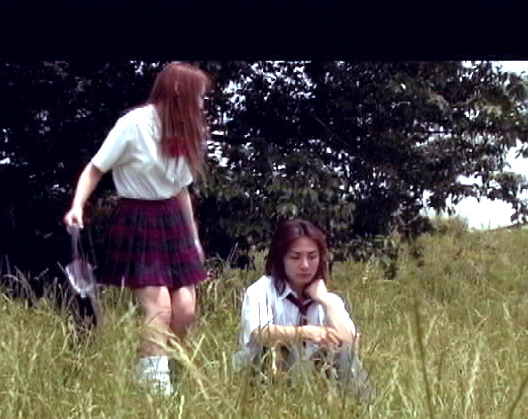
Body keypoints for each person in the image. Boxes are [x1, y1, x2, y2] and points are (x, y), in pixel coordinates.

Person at [64, 62, 212, 395]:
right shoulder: (133, 124)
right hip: (138, 218)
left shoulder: (186, 129)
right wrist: (77, 206)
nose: (201, 103)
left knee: (185, 309)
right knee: (159, 307)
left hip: (172, 219)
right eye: (198, 96)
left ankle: (164, 369)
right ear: (178, 91)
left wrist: (194, 238)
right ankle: (156, 392)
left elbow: (181, 189)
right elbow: (95, 168)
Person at [233, 219, 373, 398]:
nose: (305, 265)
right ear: (281, 258)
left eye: (312, 257)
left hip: (310, 376)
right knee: (280, 348)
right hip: (263, 376)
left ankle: (365, 408)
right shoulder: (261, 290)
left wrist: (327, 302)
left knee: (343, 353)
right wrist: (305, 333)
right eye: (295, 257)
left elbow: (350, 344)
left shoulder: (328, 300)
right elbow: (260, 333)